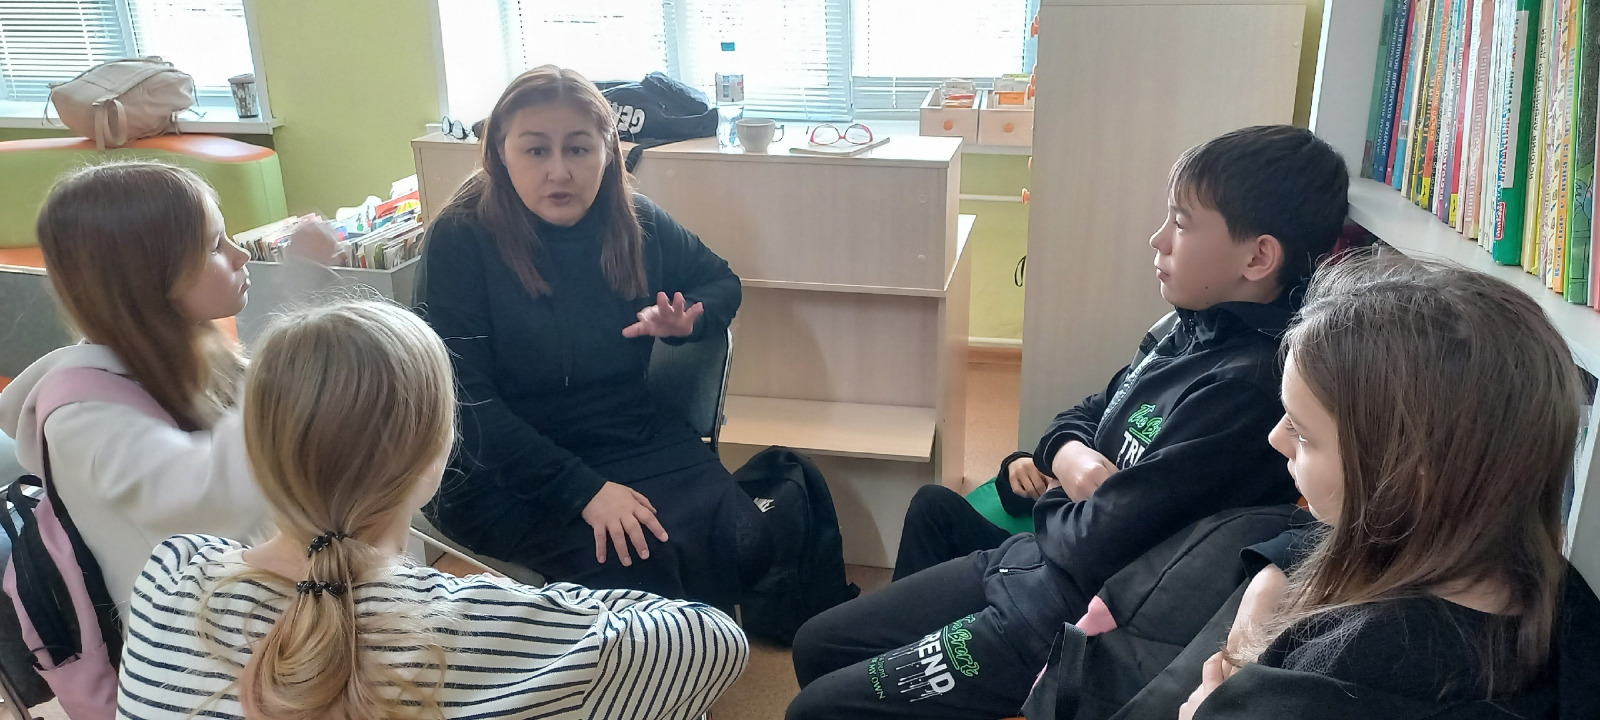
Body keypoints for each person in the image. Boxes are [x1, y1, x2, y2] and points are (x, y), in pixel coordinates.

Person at [788, 125, 1349, 719]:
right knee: (817, 643)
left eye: (1182, 224)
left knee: (814, 708)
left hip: (1057, 618)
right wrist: (1067, 455)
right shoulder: (1188, 327)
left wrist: (1056, 488)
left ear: (1258, 257)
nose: (1158, 239)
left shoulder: (1245, 388)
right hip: (1032, 565)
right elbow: (1084, 413)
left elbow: (1093, 547)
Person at [115, 300, 748, 719]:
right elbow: (716, 641)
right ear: (435, 455)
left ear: (256, 448)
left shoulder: (170, 574)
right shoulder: (486, 628)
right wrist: (544, 606)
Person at [1171, 254, 1600, 719]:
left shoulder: (1343, 675)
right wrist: (1274, 572)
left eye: (1303, 433)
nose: (1276, 438)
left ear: (1407, 473)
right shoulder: (1557, 597)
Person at [415, 65, 767, 609]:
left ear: (608, 152)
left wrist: (688, 321)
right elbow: (465, 407)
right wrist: (583, 492)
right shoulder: (460, 237)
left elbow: (721, 281)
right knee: (638, 564)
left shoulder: (634, 218)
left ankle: (694, 652)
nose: (559, 172)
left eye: (578, 149)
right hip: (496, 464)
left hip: (623, 428)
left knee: (738, 536)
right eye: (536, 150)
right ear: (501, 154)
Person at [0, 160, 333, 622]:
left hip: (252, 605)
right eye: (214, 246)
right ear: (146, 277)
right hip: (192, 646)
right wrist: (297, 288)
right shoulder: (81, 417)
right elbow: (215, 499)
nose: (240, 254)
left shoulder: (194, 351)